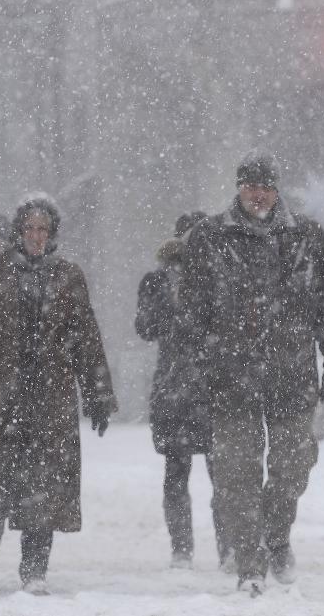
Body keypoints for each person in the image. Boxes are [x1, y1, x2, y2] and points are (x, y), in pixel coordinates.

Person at [0, 196, 117, 595]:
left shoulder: (68, 276)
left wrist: (99, 394)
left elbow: (86, 337)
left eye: (43, 229)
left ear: (52, 235)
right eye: (30, 228)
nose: (36, 236)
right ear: (18, 231)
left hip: (50, 399)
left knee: (44, 488)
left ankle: (35, 570)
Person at [181, 154, 324, 596]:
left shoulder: (306, 237)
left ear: (278, 189)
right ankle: (249, 563)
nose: (258, 194)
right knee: (236, 476)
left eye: (266, 185)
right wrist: (199, 366)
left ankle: (276, 537)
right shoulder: (210, 237)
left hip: (291, 373)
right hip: (231, 375)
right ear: (238, 188)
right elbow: (194, 313)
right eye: (250, 185)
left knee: (292, 468)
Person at [135, 212, 231, 570]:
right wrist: (170, 304)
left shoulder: (219, 280)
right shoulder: (156, 282)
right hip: (175, 387)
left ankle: (228, 547)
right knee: (177, 472)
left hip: (212, 387)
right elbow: (145, 327)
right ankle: (182, 550)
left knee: (221, 474)